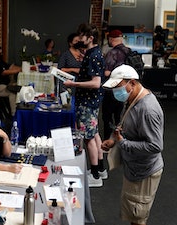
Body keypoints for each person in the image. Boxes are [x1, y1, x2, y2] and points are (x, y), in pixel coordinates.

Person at [101, 64, 164, 225]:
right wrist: (113, 140)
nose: (116, 92)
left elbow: (155, 146)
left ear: (133, 83)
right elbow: (124, 125)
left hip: (144, 172)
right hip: (135, 169)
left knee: (137, 216)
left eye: (119, 86)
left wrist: (123, 143)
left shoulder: (148, 109)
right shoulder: (132, 100)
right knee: (132, 213)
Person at [63, 23, 106, 188]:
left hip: (87, 102)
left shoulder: (94, 55)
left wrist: (73, 84)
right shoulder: (92, 53)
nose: (79, 39)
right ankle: (100, 169)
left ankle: (95, 174)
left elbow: (96, 83)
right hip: (90, 101)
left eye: (82, 36)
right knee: (94, 135)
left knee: (88, 139)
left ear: (91, 38)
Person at [102, 29, 129, 140]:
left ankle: (108, 141)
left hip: (112, 89)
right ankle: (119, 139)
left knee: (107, 116)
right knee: (119, 117)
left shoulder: (112, 53)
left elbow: (107, 72)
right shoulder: (129, 51)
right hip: (125, 89)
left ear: (111, 39)